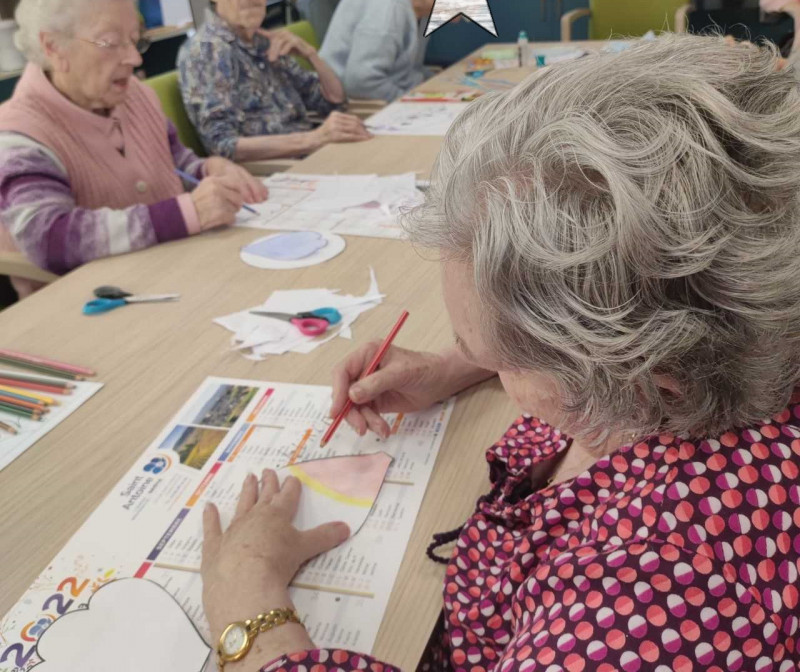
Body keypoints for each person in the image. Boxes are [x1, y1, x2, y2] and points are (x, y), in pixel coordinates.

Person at [200, 34, 800, 671]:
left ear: (642, 379)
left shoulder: (659, 594)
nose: (468, 353)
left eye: (496, 351)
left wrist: (249, 609)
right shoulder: (743, 319)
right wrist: (459, 364)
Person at [0, 0, 266, 299]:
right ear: (53, 47)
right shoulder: (19, 134)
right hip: (82, 311)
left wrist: (209, 169)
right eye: (111, 42)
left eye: (134, 41)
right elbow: (50, 237)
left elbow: (174, 162)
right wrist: (186, 213)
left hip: (175, 278)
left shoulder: (136, 95)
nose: (135, 59)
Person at [178, 0, 371, 163]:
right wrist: (314, 138)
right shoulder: (207, 51)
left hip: (317, 159)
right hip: (278, 176)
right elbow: (223, 146)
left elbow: (333, 101)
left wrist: (310, 54)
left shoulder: (264, 41)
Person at [320, 0, 493, 101]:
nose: (456, 21)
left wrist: (444, 84)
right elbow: (361, 82)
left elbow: (405, 70)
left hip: (385, 98)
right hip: (350, 106)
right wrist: (414, 102)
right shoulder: (390, 3)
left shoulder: (421, 1)